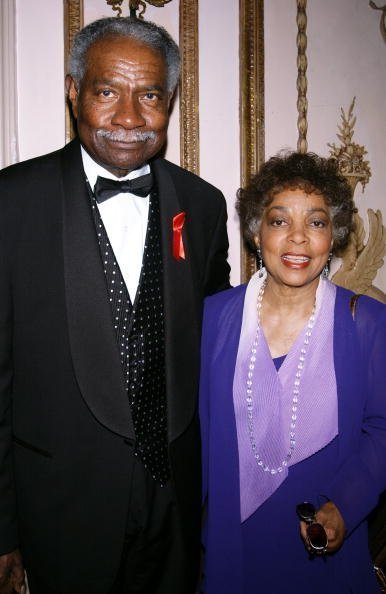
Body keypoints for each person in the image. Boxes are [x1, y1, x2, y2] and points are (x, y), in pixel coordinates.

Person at [0, 16, 230, 594]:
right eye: (107, 92)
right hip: (57, 512)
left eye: (149, 95)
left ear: (170, 101)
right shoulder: (10, 203)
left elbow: (220, 347)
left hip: (176, 510)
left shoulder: (202, 207)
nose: (129, 117)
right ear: (75, 90)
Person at [199, 151, 386, 594]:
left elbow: (382, 429)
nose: (298, 238)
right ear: (256, 232)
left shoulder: (368, 324)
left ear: (334, 235)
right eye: (280, 221)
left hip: (324, 549)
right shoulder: (212, 319)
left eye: (317, 222)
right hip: (233, 548)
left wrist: (345, 504)